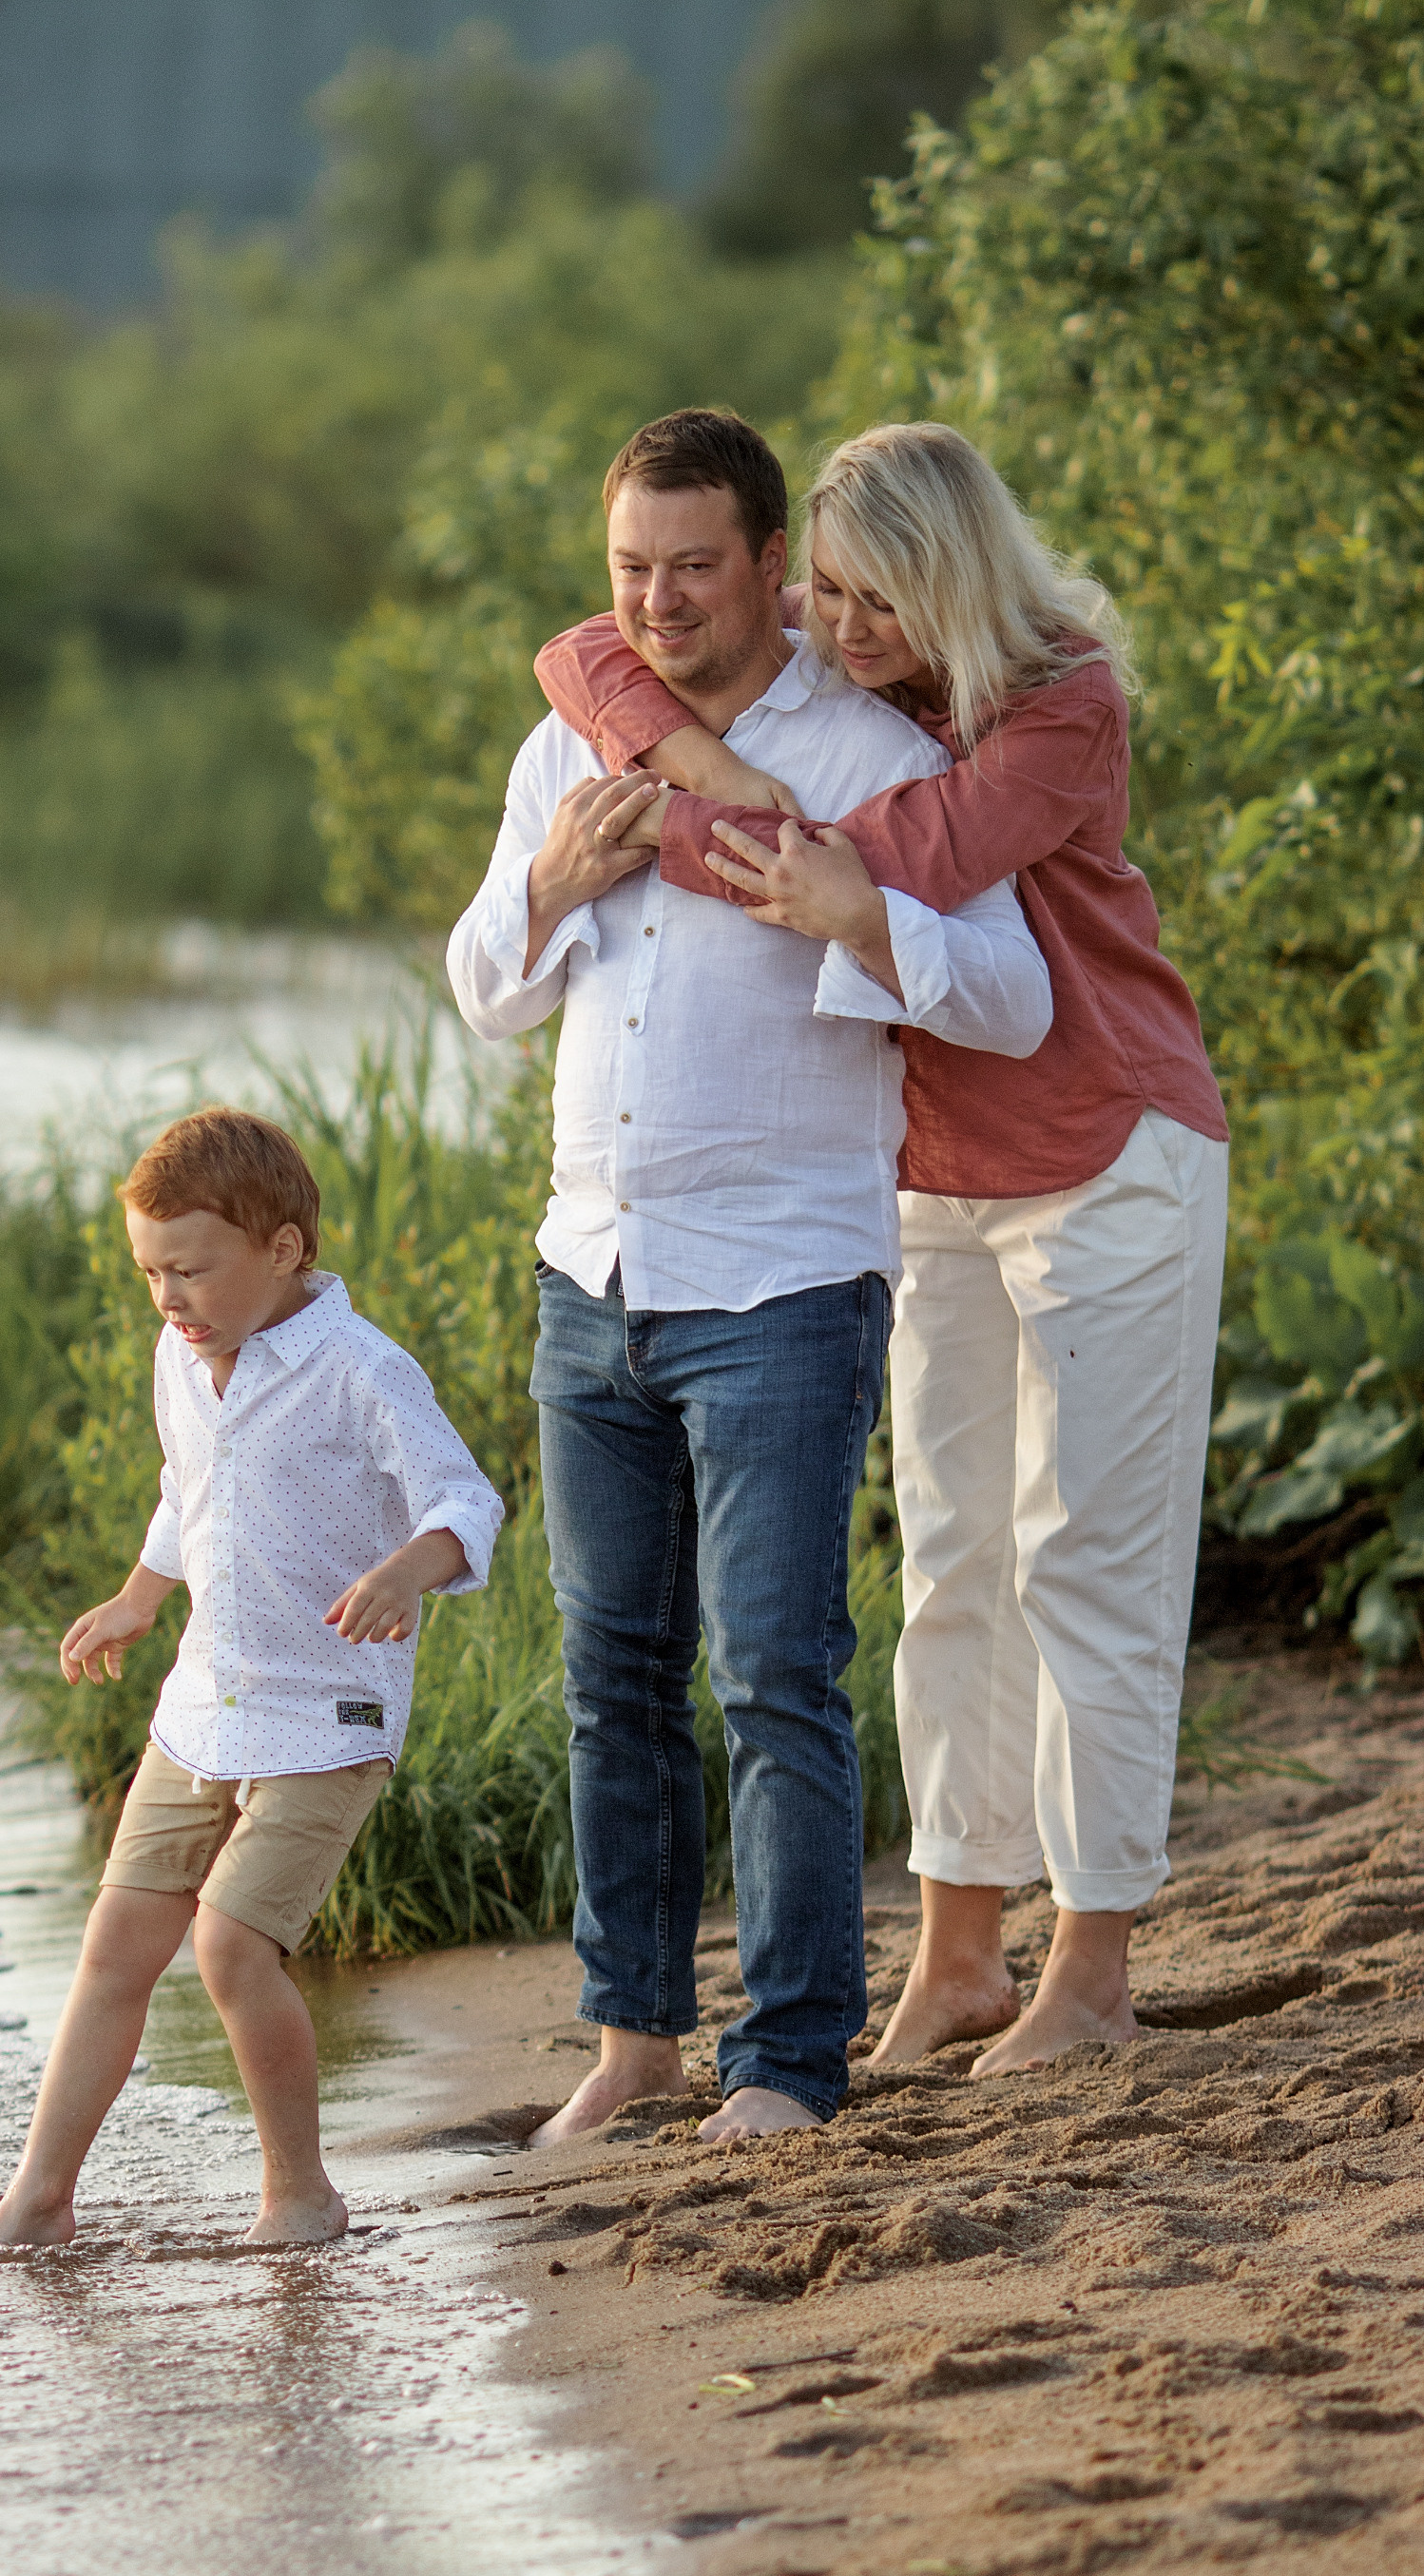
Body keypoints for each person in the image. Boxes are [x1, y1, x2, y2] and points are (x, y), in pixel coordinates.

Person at [534, 420, 1229, 2074]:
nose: (836, 632)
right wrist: (690, 754)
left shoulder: (1059, 704)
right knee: (949, 1567)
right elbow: (578, 649)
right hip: (924, 1169)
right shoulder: (855, 682)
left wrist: (653, 805)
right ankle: (960, 1950)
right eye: (824, 596)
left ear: (950, 582)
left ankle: (1093, 1965)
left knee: (1089, 1561)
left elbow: (867, 867)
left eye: (873, 601)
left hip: (1105, 1150)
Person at [446, 408, 1053, 2149]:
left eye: (693, 567)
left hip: (784, 1282)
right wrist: (551, 883)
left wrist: (857, 914)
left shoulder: (871, 756)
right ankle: (633, 2039)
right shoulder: (565, 745)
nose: (656, 602)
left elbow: (1012, 1000)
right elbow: (483, 992)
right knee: (609, 1681)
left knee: (777, 1672)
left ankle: (786, 2058)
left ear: (771, 566)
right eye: (629, 569)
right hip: (590, 1274)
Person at [0, 1105, 503, 2255]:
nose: (168, 1297)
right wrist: (138, 1596)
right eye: (149, 1272)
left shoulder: (362, 1370)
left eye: (192, 1270)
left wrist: (406, 1570)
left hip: (329, 1713)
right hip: (204, 1703)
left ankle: (299, 2193)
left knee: (229, 1947)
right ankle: (39, 2200)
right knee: (116, 1941)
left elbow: (466, 1501)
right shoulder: (182, 1356)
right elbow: (190, 1490)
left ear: (282, 1249)